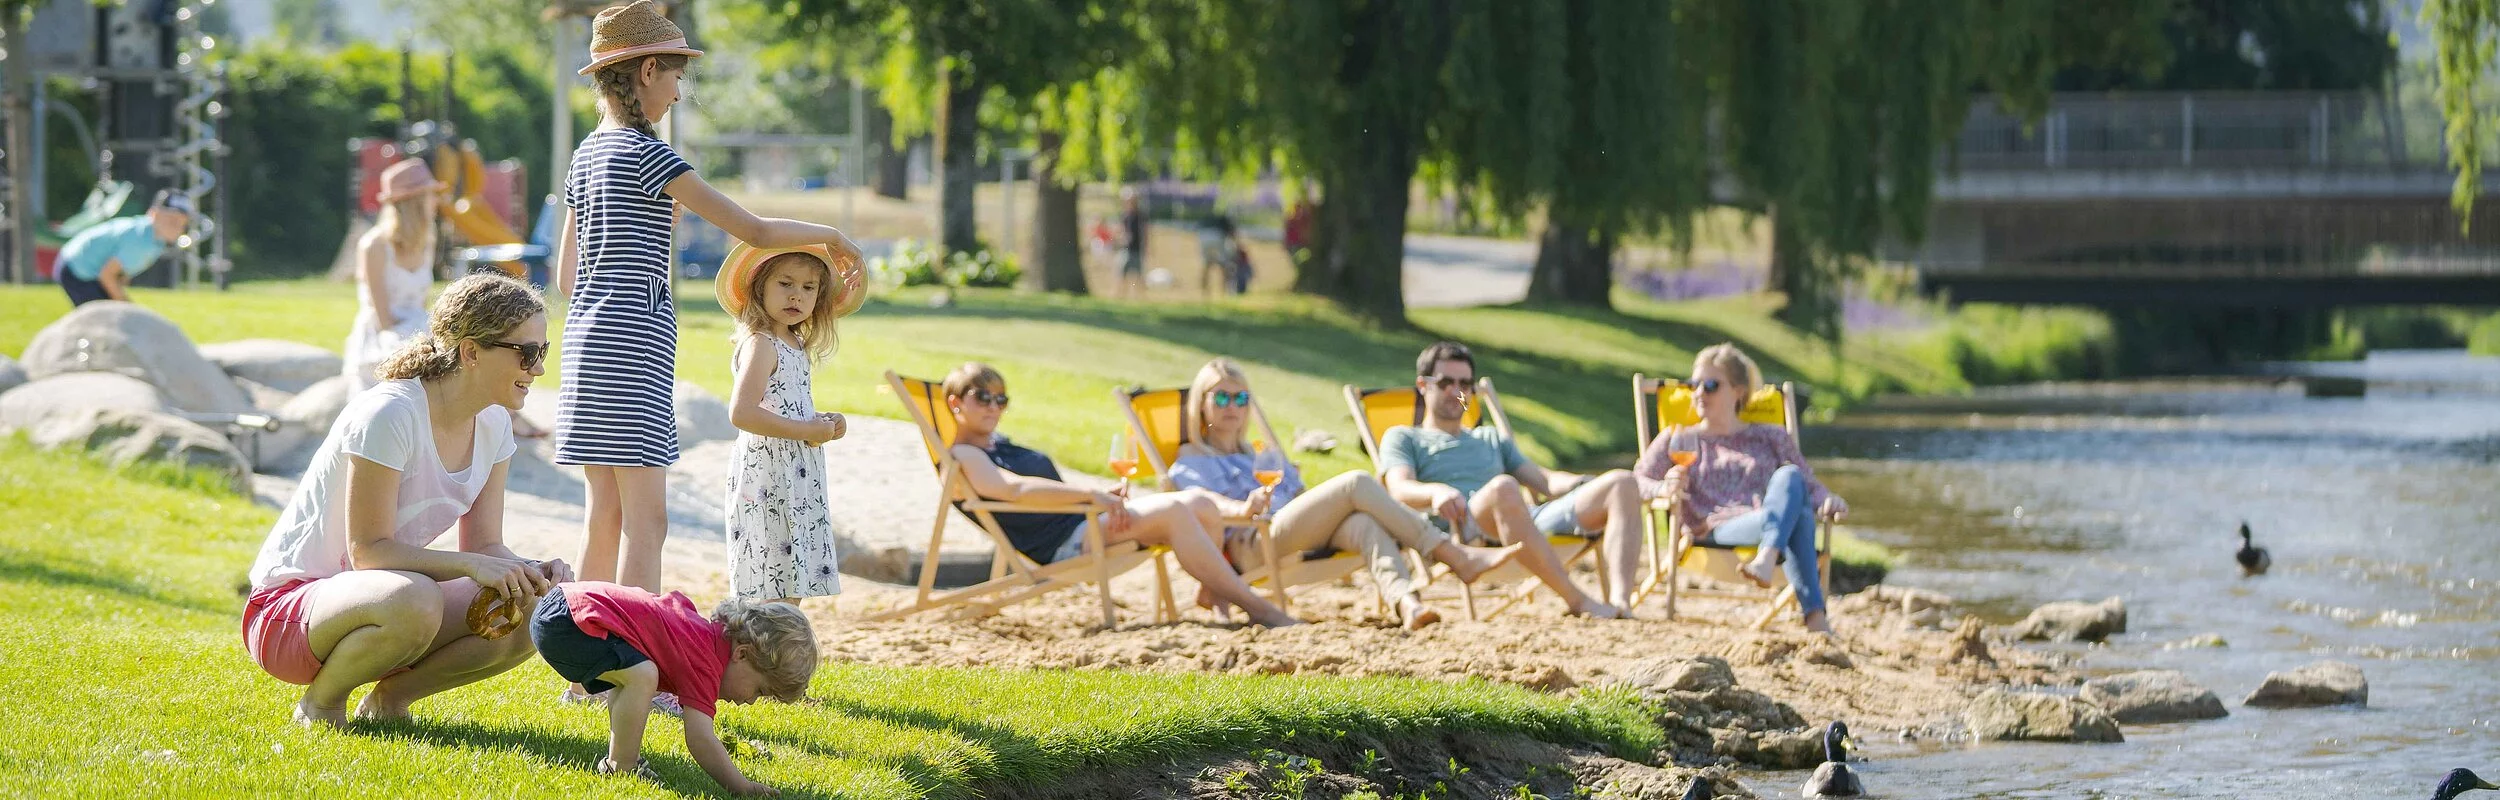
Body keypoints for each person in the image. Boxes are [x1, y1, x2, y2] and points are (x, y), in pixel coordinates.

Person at [553, 0, 865, 596]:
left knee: (604, 513)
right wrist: (832, 236)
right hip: (634, 343)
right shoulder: (651, 157)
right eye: (674, 77)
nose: (676, 93)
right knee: (648, 521)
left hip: (585, 344)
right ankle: (631, 654)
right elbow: (756, 232)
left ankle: (587, 663)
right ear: (647, 72)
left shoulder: (584, 155)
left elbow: (568, 277)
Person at [241, 273, 571, 728]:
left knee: (531, 603)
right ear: (471, 351)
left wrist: (531, 570)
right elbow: (368, 551)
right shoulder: (391, 413)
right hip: (287, 614)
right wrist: (470, 566)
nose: (537, 369)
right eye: (526, 353)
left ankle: (390, 702)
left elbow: (485, 547)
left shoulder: (494, 424)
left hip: (387, 603)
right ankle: (320, 705)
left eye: (543, 352)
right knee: (415, 598)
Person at [1166, 359, 1521, 630]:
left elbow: (1300, 495)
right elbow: (1201, 504)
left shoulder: (1261, 453)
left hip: (1293, 530)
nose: (1232, 406)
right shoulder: (1192, 458)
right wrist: (1244, 506)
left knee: (1365, 523)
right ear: (1201, 404)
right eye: (1222, 397)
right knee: (1356, 482)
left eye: (1240, 398)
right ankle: (1455, 556)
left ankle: (1408, 605)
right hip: (1251, 540)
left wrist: (1305, 496)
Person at [941, 362, 1302, 628]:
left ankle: (1216, 594)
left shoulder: (1000, 445)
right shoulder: (964, 455)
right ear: (956, 403)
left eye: (1000, 399)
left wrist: (1098, 498)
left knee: (1199, 502)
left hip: (1088, 524)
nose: (993, 406)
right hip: (1067, 542)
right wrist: (1091, 495)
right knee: (1177, 510)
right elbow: (1010, 489)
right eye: (982, 397)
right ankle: (1257, 607)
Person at [1379, 341, 1646, 619]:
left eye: (1465, 384)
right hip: (1465, 530)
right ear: (1423, 385)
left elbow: (1544, 479)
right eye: (1446, 382)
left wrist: (1583, 483)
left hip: (1523, 520)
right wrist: (1435, 493)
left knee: (1622, 482)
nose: (1457, 392)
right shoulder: (1404, 437)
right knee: (1504, 487)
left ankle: (1621, 604)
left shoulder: (1490, 437)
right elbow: (1398, 488)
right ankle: (1577, 600)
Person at [1635, 343, 1850, 634]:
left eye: (1710, 385)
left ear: (1738, 391)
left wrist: (1829, 500)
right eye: (1693, 384)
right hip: (1713, 531)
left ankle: (1767, 558)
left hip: (1765, 523)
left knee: (1790, 476)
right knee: (1797, 514)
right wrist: (1664, 488)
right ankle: (1816, 619)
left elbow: (1809, 485)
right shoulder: (1679, 438)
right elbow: (1636, 481)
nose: (1699, 392)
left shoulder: (1770, 436)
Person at [530, 582, 815, 795]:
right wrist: (742, 786)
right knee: (642, 675)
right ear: (741, 654)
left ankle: (620, 757)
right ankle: (622, 766)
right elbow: (700, 739)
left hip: (560, 606)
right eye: (760, 691)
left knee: (634, 674)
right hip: (566, 623)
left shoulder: (702, 636)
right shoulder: (705, 661)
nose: (751, 701)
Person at [717, 243, 862, 605]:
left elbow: (786, 406)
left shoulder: (794, 343)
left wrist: (823, 422)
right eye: (785, 284)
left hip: (796, 472)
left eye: (808, 288)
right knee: (767, 573)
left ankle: (780, 651)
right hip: (768, 476)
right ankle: (760, 650)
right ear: (759, 287)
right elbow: (743, 413)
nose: (797, 295)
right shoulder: (761, 344)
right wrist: (806, 431)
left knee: (792, 573)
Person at [53, 189, 196, 307]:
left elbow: (120, 272)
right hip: (76, 269)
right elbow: (107, 276)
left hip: (81, 264)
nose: (177, 228)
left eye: (183, 223)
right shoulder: (141, 240)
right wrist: (127, 306)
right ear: (154, 214)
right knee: (102, 322)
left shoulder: (155, 238)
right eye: (172, 220)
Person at [1117, 186, 1148, 298]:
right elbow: (1121, 231)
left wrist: (1147, 247)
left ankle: (1141, 297)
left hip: (1137, 249)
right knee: (1122, 275)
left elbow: (1145, 232)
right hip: (1125, 249)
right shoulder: (1124, 216)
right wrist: (1122, 238)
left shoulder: (1140, 216)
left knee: (1139, 276)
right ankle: (1121, 297)